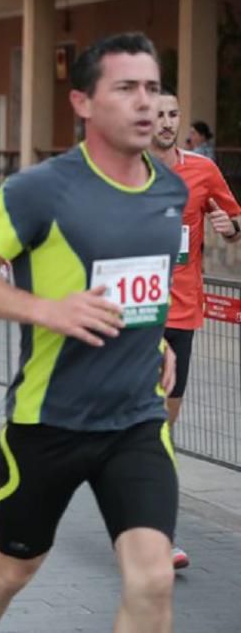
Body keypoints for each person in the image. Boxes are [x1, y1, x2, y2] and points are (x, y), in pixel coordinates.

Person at [0, 33, 184, 633]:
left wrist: (159, 343)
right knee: (13, 568)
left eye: (152, 88)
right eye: (126, 88)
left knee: (152, 576)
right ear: (82, 102)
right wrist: (48, 310)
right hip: (49, 423)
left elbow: (141, 287)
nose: (146, 103)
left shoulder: (170, 188)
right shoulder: (39, 189)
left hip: (136, 421)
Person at [150, 88, 241, 571]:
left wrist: (230, 227)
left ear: (180, 121)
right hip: (135, 314)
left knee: (162, 426)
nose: (166, 121)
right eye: (158, 114)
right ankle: (154, 533)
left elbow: (234, 220)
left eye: (172, 114)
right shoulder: (125, 170)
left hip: (181, 314)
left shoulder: (203, 171)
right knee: (140, 425)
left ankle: (141, 519)